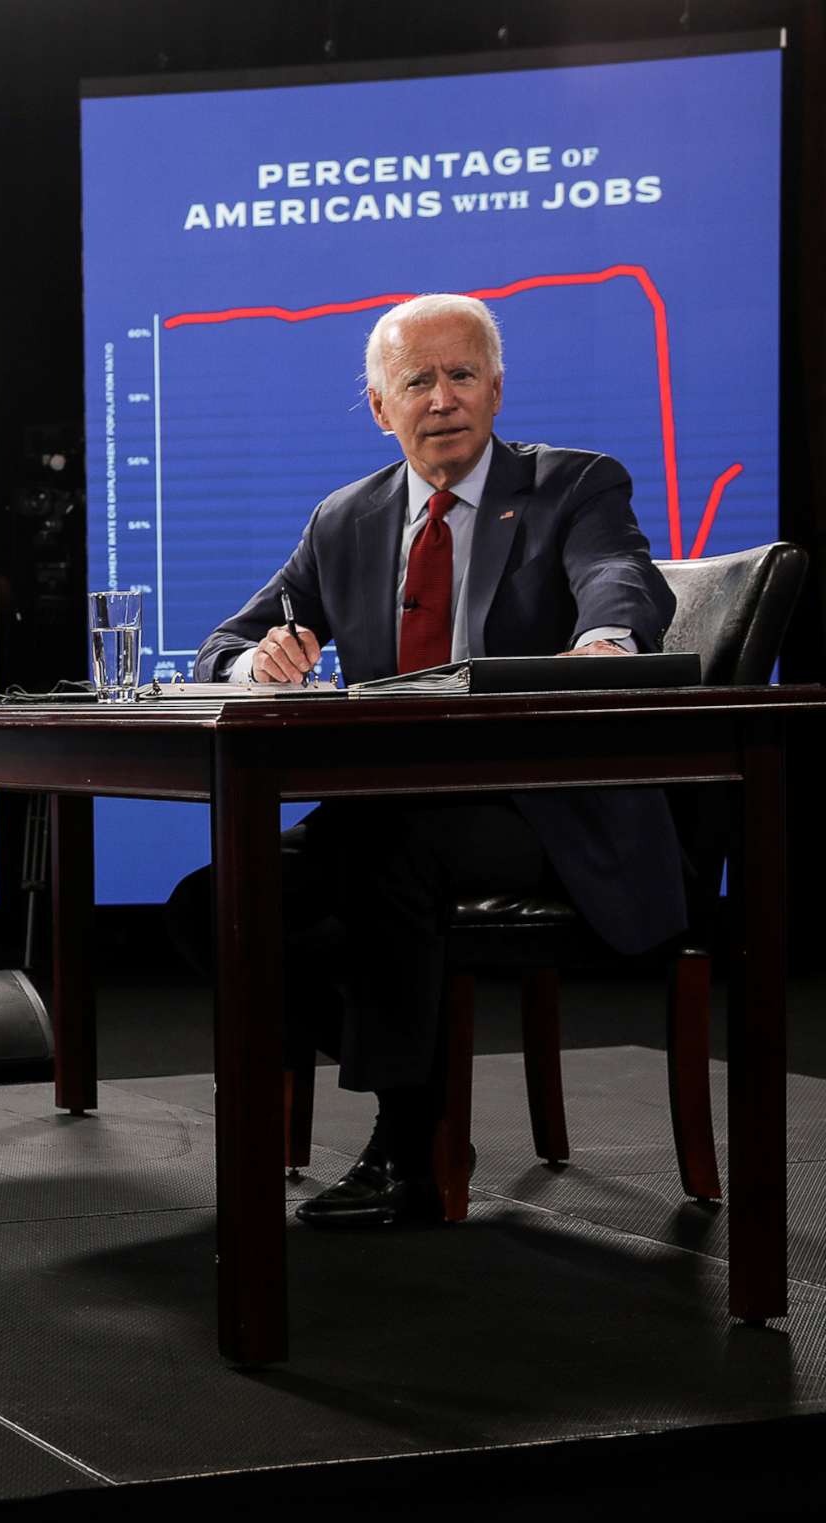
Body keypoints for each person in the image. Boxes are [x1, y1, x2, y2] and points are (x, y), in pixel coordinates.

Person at [170, 294, 685, 1228]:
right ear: (380, 406)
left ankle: (409, 1144)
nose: (442, 398)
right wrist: (262, 659)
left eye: (461, 375)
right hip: (388, 810)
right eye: (418, 380)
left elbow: (620, 577)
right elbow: (224, 646)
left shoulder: (573, 485)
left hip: (538, 812)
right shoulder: (346, 518)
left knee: (386, 853)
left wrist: (608, 638)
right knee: (216, 900)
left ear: (495, 389)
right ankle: (428, 1084)